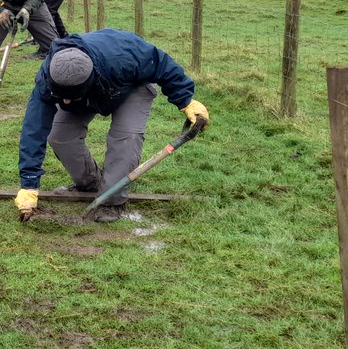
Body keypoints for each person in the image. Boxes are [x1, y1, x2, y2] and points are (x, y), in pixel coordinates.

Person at [14, 29, 209, 223]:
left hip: (131, 86)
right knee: (60, 136)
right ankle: (90, 184)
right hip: (86, 95)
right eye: (61, 97)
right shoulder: (49, 76)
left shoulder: (122, 56)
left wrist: (186, 101)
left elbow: (160, 63)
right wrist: (29, 184)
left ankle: (112, 201)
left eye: (69, 97)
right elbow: (34, 128)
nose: (64, 103)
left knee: (126, 137)